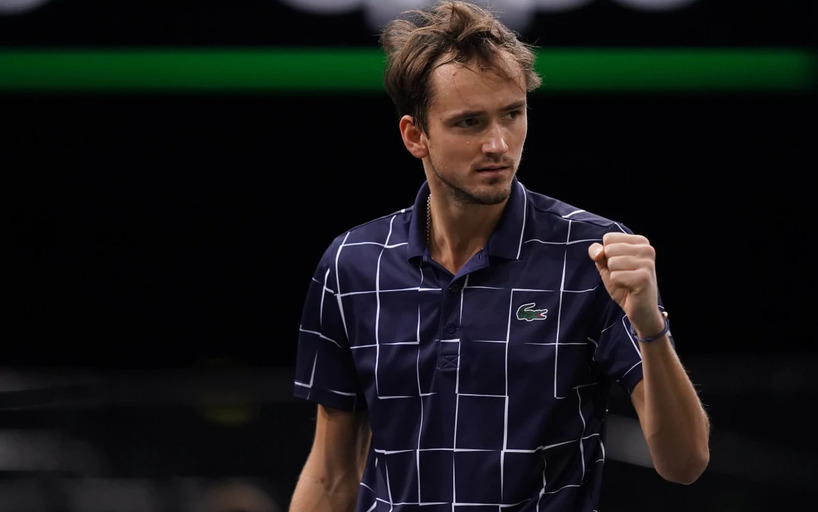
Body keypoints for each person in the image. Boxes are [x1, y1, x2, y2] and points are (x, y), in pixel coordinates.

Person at [288, 2, 710, 511]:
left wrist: (649, 325)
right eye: (469, 122)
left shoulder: (593, 255)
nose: (497, 144)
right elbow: (332, 476)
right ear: (415, 135)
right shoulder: (353, 265)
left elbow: (685, 463)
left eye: (512, 114)